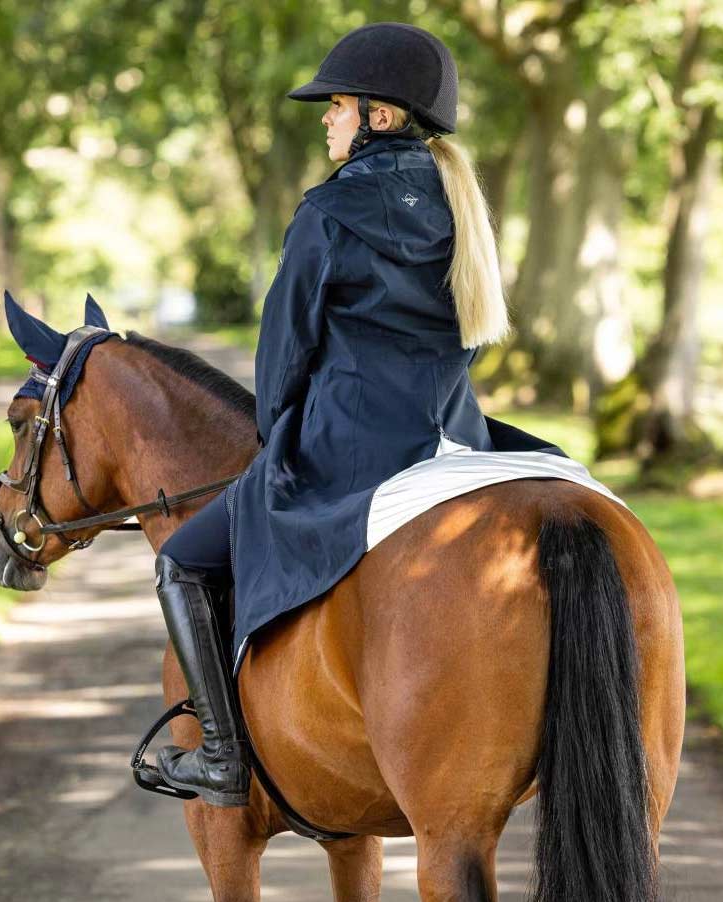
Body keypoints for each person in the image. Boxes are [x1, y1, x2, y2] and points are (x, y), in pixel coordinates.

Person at [152, 22, 557, 807]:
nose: (326, 119)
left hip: (350, 450)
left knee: (183, 562)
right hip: (455, 439)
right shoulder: (461, 204)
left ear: (380, 116)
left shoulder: (330, 211)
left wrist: (275, 438)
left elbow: (283, 354)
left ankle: (223, 759)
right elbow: (468, 342)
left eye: (337, 104)